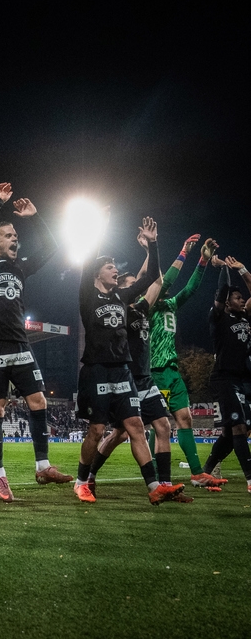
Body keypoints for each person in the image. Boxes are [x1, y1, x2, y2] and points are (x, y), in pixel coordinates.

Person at [83, 237, 213, 502]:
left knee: (163, 426)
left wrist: (152, 248)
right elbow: (153, 279)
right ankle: (90, 475)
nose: (137, 289)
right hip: (126, 378)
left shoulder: (142, 310)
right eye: (131, 286)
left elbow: (156, 279)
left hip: (146, 378)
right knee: (119, 433)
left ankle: (164, 485)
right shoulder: (120, 312)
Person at [0, 184, 71, 502]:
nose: (14, 237)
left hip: (19, 344)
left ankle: (43, 466)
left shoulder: (20, 268)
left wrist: (36, 217)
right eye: (8, 234)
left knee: (39, 401)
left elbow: (52, 248)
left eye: (16, 233)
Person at [73, 216, 183, 505]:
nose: (115, 271)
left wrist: (153, 245)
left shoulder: (122, 297)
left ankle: (154, 487)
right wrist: (97, 227)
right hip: (96, 371)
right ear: (98, 274)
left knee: (135, 425)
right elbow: (87, 262)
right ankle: (81, 481)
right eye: (110, 267)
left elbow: (150, 279)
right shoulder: (87, 295)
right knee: (96, 430)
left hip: (122, 371)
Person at [147, 235, 227, 488]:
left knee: (184, 419)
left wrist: (202, 261)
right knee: (157, 426)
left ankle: (197, 473)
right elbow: (168, 279)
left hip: (172, 370)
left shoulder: (170, 304)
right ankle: (150, 469)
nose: (165, 285)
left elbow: (191, 289)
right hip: (154, 372)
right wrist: (183, 252)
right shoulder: (145, 307)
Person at [200, 256, 251, 490]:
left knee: (232, 434)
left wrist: (242, 269)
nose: (242, 301)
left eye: (242, 298)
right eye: (238, 298)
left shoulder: (246, 316)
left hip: (243, 380)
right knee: (238, 426)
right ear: (228, 302)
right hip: (224, 377)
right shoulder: (219, 317)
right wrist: (223, 270)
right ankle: (250, 479)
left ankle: (205, 473)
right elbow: (220, 293)